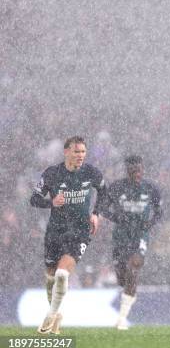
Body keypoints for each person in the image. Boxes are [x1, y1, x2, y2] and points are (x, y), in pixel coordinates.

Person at [30, 136, 107, 335]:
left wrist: (96, 214)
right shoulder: (52, 174)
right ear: (66, 152)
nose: (80, 155)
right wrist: (51, 202)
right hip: (55, 231)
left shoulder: (91, 172)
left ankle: (50, 315)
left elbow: (104, 192)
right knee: (50, 276)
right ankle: (56, 314)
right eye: (76, 151)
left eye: (83, 152)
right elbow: (34, 199)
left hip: (80, 231)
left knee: (62, 274)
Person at [103, 155, 162, 330]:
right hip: (121, 236)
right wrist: (116, 217)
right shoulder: (116, 188)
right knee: (122, 277)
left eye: (140, 169)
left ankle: (121, 319)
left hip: (140, 235)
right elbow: (102, 208)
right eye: (134, 169)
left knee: (133, 268)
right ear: (127, 170)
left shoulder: (151, 189)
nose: (138, 173)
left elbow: (159, 211)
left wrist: (149, 223)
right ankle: (127, 295)